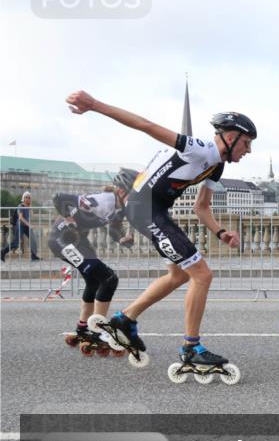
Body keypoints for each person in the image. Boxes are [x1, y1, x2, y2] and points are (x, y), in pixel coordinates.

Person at [65, 90, 254, 380]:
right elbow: (146, 125)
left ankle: (124, 320)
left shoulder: (217, 165)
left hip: (157, 211)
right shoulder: (200, 149)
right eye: (247, 143)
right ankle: (191, 348)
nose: (248, 151)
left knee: (180, 275)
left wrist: (221, 231)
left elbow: (201, 207)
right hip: (144, 210)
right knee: (202, 275)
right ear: (230, 138)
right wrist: (95, 105)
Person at [50, 169, 137, 356]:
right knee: (109, 278)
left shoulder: (120, 208)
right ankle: (98, 330)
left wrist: (122, 238)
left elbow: (114, 229)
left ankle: (83, 330)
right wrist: (70, 220)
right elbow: (59, 198)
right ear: (122, 191)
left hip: (78, 242)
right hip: (63, 239)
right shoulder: (105, 200)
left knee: (94, 281)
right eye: (134, 193)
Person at [1, 192, 40, 261]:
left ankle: (33, 256)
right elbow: (20, 218)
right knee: (16, 243)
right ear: (23, 198)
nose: (28, 198)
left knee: (33, 240)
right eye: (26, 197)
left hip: (26, 226)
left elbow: (32, 215)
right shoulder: (20, 206)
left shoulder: (28, 206)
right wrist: (29, 225)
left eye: (29, 197)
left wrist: (31, 206)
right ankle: (2, 252)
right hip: (20, 225)